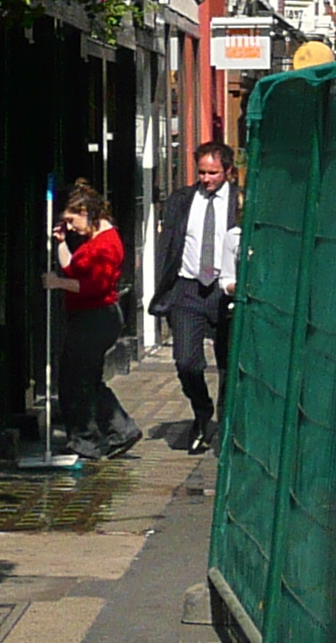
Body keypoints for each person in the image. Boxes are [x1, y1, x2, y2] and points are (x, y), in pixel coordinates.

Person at [154, 141, 241, 451]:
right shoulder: (182, 200)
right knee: (186, 361)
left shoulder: (241, 201)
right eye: (202, 172)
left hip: (226, 290)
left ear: (228, 171)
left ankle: (225, 423)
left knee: (229, 365)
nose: (206, 179)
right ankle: (201, 410)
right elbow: (169, 245)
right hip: (188, 289)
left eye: (213, 173)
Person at [41, 181, 139, 455]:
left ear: (87, 212)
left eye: (72, 221)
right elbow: (73, 268)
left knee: (77, 380)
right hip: (89, 317)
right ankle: (119, 430)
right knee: (85, 378)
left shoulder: (106, 246)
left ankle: (88, 439)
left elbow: (93, 286)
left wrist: (57, 283)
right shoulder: (93, 241)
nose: (70, 227)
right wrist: (61, 244)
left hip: (96, 318)